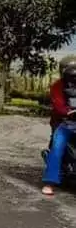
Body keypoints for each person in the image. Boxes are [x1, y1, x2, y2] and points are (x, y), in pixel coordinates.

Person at [41, 56, 76, 196]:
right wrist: (69, 112)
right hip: (64, 122)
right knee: (57, 145)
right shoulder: (57, 86)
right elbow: (58, 106)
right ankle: (50, 182)